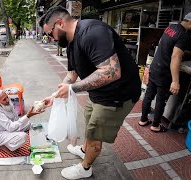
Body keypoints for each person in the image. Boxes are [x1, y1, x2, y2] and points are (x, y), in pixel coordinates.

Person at [39, 6, 141, 179]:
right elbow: (72, 74)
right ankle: (84, 149)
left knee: (95, 132)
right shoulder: (71, 43)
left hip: (117, 95)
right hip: (98, 92)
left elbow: (111, 71)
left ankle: (86, 168)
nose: (50, 39)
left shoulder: (93, 32)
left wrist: (72, 89)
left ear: (60, 24)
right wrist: (55, 95)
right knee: (89, 119)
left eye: (50, 34)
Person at [139, 11, 191, 132]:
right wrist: (175, 81)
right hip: (164, 71)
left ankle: (143, 120)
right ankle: (155, 126)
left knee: (149, 95)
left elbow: (166, 44)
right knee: (160, 99)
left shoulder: (171, 27)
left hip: (155, 66)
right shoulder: (184, 35)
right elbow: (176, 57)